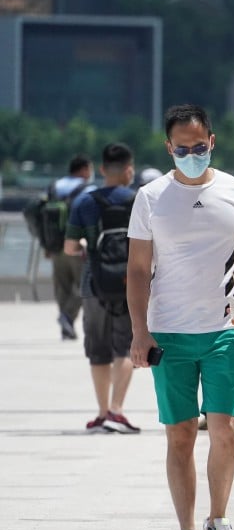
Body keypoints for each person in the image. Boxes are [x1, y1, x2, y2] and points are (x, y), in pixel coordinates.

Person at [126, 104, 234, 530]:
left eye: (198, 147)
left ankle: (217, 523)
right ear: (168, 148)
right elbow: (138, 269)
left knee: (224, 430)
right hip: (169, 332)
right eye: (181, 148)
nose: (190, 154)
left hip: (225, 330)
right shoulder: (150, 196)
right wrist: (139, 332)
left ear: (212, 142)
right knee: (180, 435)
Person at [64, 142, 139, 434]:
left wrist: (85, 246)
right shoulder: (138, 201)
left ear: (103, 169)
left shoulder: (85, 202)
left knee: (98, 350)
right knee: (125, 347)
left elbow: (70, 247)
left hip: (93, 284)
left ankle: (102, 411)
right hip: (130, 283)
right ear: (129, 169)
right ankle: (118, 410)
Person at [48, 155, 96, 340]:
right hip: (77, 245)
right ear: (84, 169)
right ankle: (67, 317)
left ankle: (66, 325)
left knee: (62, 287)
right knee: (83, 284)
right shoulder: (87, 189)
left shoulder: (54, 186)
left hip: (54, 245)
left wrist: (46, 244)